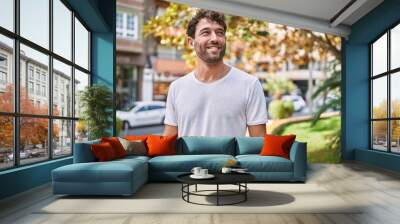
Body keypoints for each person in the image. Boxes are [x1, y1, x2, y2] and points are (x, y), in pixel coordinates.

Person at [163, 9, 268, 137]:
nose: (215, 38)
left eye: (220, 33)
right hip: (187, 158)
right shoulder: (176, 88)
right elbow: (168, 143)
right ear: (191, 42)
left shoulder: (250, 85)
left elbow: (259, 145)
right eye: (206, 33)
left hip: (229, 158)